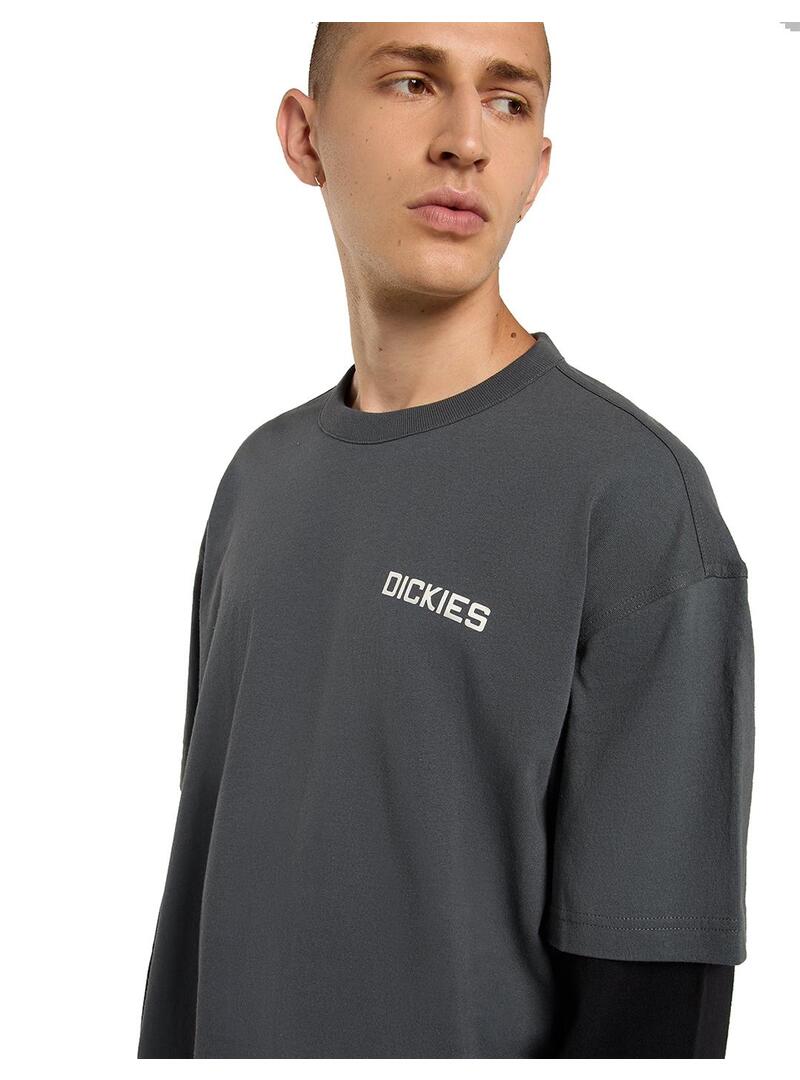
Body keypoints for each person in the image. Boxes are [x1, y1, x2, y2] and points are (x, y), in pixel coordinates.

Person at [137, 22, 754, 1058]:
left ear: (536, 169)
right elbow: (222, 890)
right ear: (304, 137)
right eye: (412, 81)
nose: (465, 140)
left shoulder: (635, 504)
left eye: (508, 102)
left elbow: (655, 1012)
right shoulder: (257, 482)